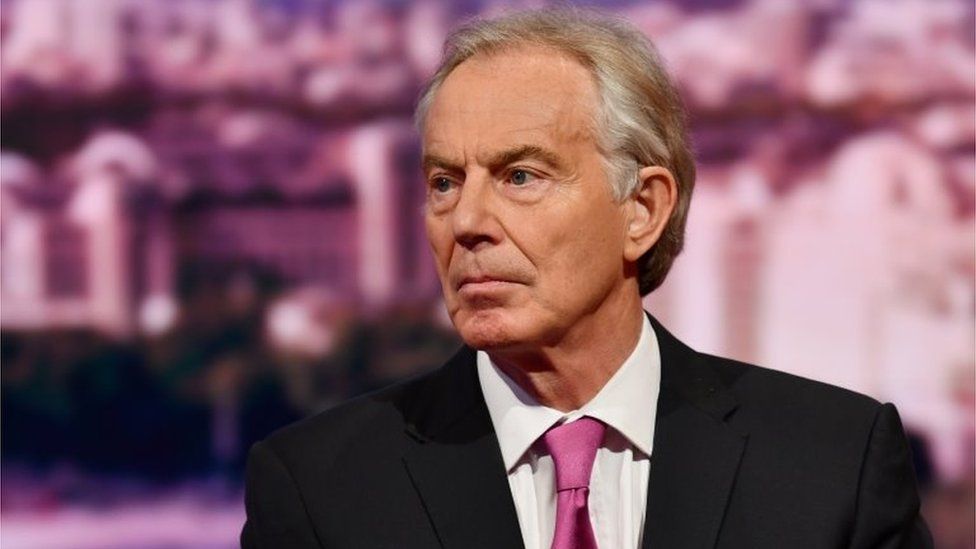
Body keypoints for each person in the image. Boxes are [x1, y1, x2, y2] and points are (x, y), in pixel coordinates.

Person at [241, 9, 931, 549]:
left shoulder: (834, 465)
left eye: (520, 176)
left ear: (643, 209)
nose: (467, 222)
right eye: (444, 182)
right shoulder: (319, 488)